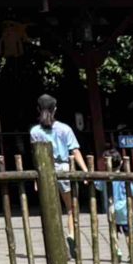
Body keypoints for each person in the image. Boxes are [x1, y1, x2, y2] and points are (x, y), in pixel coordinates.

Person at [28, 93, 82, 223]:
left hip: (44, 169)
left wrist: (36, 177)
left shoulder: (34, 131)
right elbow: (75, 150)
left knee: (50, 207)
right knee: (70, 208)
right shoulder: (65, 128)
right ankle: (71, 233)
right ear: (55, 109)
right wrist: (85, 171)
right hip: (63, 167)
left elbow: (36, 155)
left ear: (38, 109)